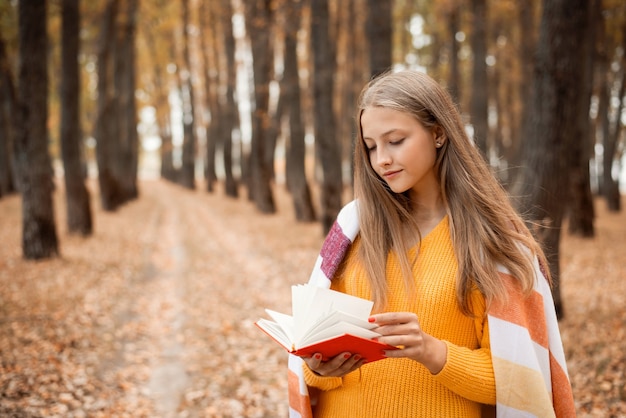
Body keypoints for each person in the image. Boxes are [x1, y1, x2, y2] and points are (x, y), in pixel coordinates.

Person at [287, 70, 575, 418]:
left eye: (395, 140)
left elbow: (520, 385)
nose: (381, 160)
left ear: (438, 133)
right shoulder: (352, 227)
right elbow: (310, 362)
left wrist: (431, 350)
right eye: (371, 146)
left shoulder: (494, 243)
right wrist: (318, 369)